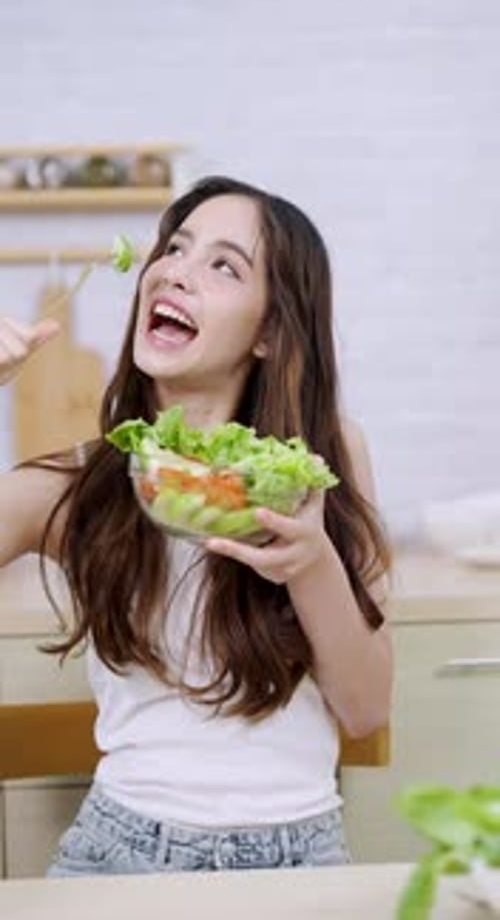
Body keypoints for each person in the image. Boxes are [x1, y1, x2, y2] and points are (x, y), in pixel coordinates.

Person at [0, 175, 392, 877]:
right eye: (174, 248)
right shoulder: (77, 487)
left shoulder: (325, 459)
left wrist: (311, 563)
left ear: (271, 330)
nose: (174, 271)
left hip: (302, 857)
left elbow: (364, 708)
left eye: (222, 264)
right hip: (120, 856)